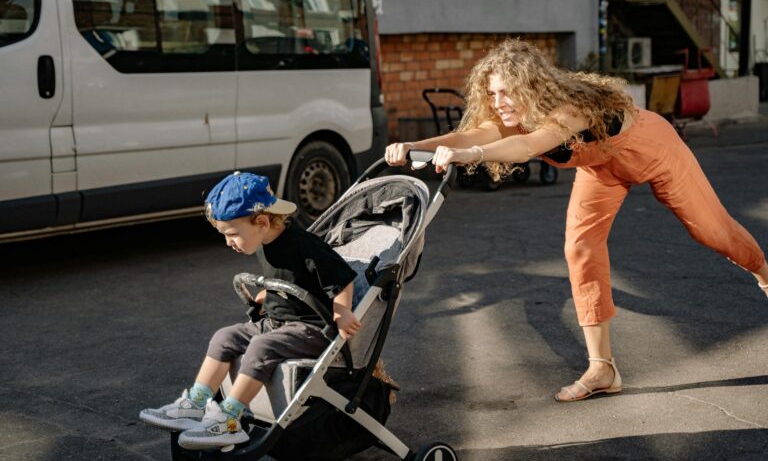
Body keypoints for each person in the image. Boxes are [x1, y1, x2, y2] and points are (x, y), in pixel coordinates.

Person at [385, 38, 768, 403]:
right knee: (580, 248)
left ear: (530, 86)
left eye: (505, 92)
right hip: (601, 167)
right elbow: (472, 133)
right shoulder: (514, 115)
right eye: (491, 94)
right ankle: (602, 369)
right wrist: (415, 147)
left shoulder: (569, 108)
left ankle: (764, 271)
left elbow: (528, 147)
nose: (497, 102)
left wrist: (471, 156)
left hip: (653, 148)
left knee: (711, 232)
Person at [139, 172, 361, 449]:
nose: (228, 242)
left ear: (262, 222)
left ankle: (230, 421)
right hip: (277, 321)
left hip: (311, 328)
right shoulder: (263, 240)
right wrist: (268, 293)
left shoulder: (304, 245)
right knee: (225, 336)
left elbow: (342, 278)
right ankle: (194, 404)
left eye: (232, 234)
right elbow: (289, 276)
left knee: (262, 346)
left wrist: (342, 311)